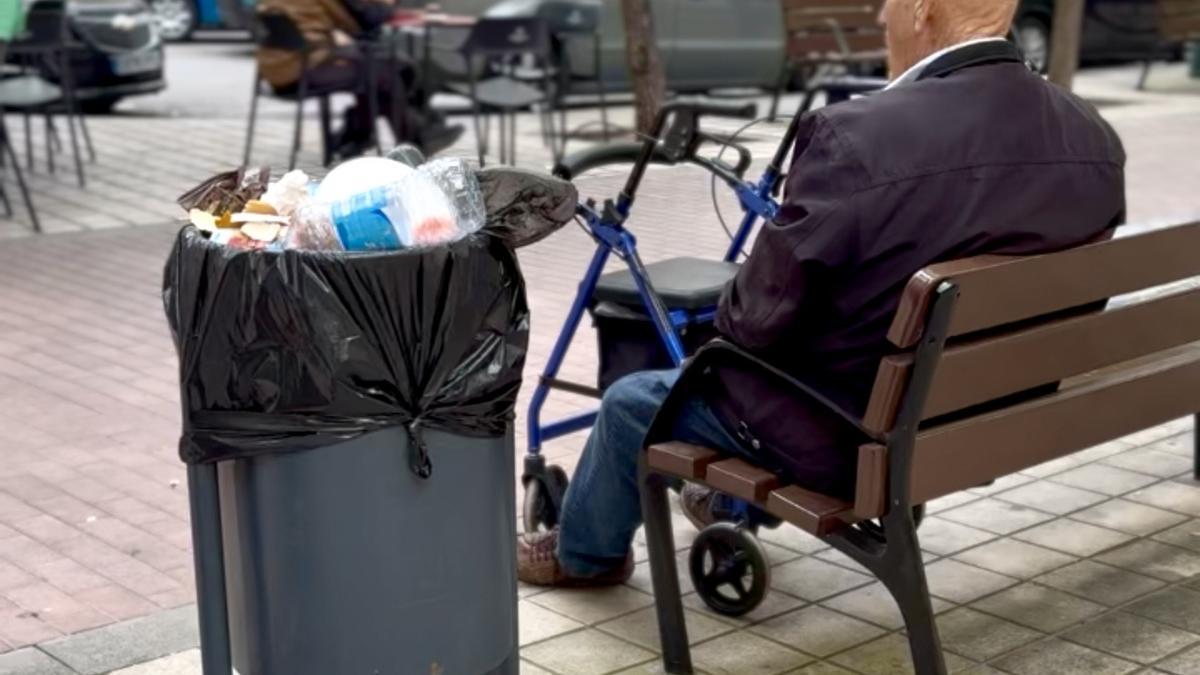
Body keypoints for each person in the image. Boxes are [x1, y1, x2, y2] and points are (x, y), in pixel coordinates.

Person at [517, 0, 1127, 587]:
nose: (880, 18)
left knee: (631, 401)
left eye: (888, 3)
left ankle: (584, 557)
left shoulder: (857, 136)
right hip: (995, 417)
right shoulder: (1092, 135)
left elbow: (752, 321)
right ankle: (705, 503)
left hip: (849, 439)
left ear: (922, 9)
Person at [256, 0, 463, 158]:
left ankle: (357, 134)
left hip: (279, 66)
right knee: (383, 72)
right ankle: (411, 138)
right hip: (299, 67)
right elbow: (367, 20)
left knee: (385, 66)